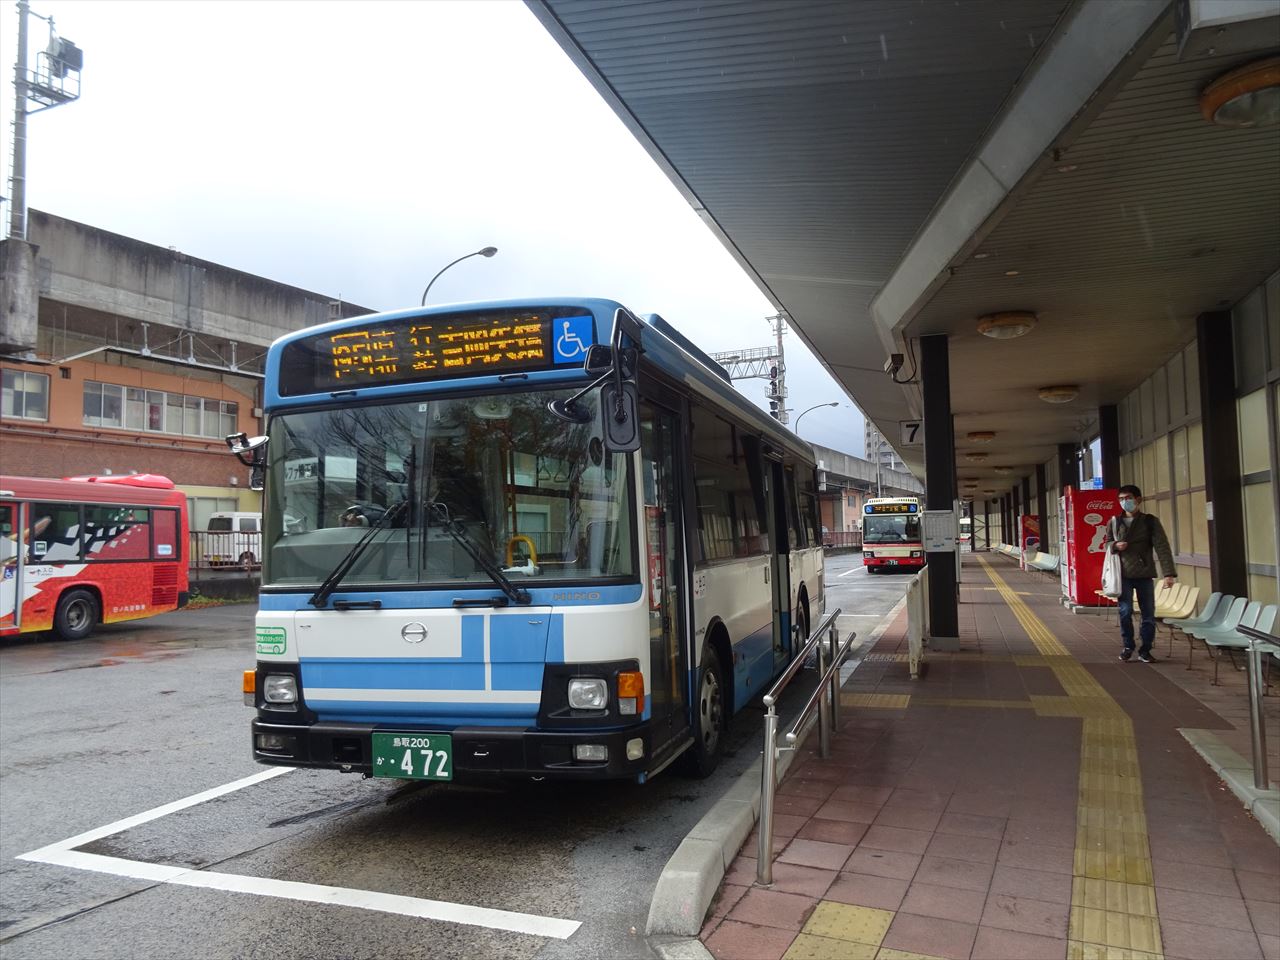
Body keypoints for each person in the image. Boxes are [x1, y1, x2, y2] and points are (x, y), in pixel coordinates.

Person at [1106, 484, 1176, 663]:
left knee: (1148, 614)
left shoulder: (1150, 521)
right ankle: (1128, 645)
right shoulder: (1114, 521)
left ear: (1138, 500)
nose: (1124, 502)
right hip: (1123, 574)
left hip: (1144, 573)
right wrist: (1115, 546)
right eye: (1121, 499)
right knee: (1125, 610)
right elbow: (1107, 543)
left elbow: (1162, 547)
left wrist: (1168, 574)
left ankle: (1145, 649)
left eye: (1128, 498)